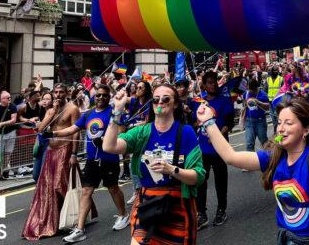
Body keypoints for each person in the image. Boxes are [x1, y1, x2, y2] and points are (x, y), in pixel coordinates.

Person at [196, 97, 309, 245]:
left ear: (306, 130)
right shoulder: (274, 157)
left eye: (288, 123)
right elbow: (231, 157)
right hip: (287, 238)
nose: (281, 128)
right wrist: (208, 122)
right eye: (279, 123)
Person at [103, 84, 205, 245]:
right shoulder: (142, 132)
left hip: (177, 204)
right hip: (147, 203)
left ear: (176, 104)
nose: (160, 102)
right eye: (156, 99)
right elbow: (109, 146)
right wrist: (117, 110)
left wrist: (172, 170)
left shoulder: (186, 132)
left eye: (166, 99)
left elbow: (198, 176)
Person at [51, 84, 129, 242]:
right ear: (94, 96)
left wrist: (107, 139)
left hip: (109, 158)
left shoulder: (114, 112)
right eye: (98, 95)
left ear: (109, 97)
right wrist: (53, 133)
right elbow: (73, 128)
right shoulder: (88, 114)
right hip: (91, 160)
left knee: (113, 188)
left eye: (104, 95)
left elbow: (121, 132)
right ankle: (79, 229)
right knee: (87, 191)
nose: (101, 98)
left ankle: (123, 215)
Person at [22, 83, 81, 240]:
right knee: (47, 187)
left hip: (66, 150)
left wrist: (74, 154)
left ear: (67, 92)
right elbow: (41, 129)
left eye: (62, 92)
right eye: (56, 92)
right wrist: (52, 111)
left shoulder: (73, 109)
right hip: (51, 150)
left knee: (59, 186)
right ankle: (52, 221)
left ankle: (69, 219)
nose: (59, 94)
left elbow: (76, 133)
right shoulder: (51, 110)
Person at [190, 70, 234, 229]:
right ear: (204, 84)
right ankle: (201, 213)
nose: (213, 85)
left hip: (220, 148)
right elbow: (194, 123)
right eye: (209, 82)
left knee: (221, 180)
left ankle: (221, 210)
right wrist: (195, 118)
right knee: (200, 181)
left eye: (214, 81)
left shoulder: (224, 100)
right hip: (202, 149)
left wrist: (217, 135)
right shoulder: (198, 101)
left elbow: (230, 123)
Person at [0, 90, 18, 178]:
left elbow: (13, 120)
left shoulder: (12, 107)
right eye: (7, 97)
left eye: (10, 97)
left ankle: (4, 170)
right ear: (1, 99)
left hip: (11, 132)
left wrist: (2, 124)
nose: (10, 99)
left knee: (7, 153)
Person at [243, 79, 270, 152]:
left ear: (256, 88)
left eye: (252, 90)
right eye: (249, 89)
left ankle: (269, 159)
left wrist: (259, 102)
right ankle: (250, 162)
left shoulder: (263, 94)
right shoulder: (246, 93)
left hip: (260, 121)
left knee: (264, 142)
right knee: (249, 144)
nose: (250, 91)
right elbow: (245, 102)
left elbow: (268, 106)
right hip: (249, 121)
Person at [32, 92, 53, 181]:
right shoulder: (41, 111)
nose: (45, 101)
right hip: (40, 142)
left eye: (48, 99)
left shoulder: (53, 112)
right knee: (35, 175)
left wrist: (41, 126)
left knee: (43, 173)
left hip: (49, 143)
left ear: (52, 101)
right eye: (44, 99)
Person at [266, 66, 284, 133]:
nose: (276, 72)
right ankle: (276, 131)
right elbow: (265, 90)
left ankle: (276, 132)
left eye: (277, 70)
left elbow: (283, 90)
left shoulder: (281, 79)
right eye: (275, 70)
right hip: (270, 102)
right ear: (272, 71)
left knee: (277, 117)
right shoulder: (268, 79)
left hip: (278, 102)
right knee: (273, 119)